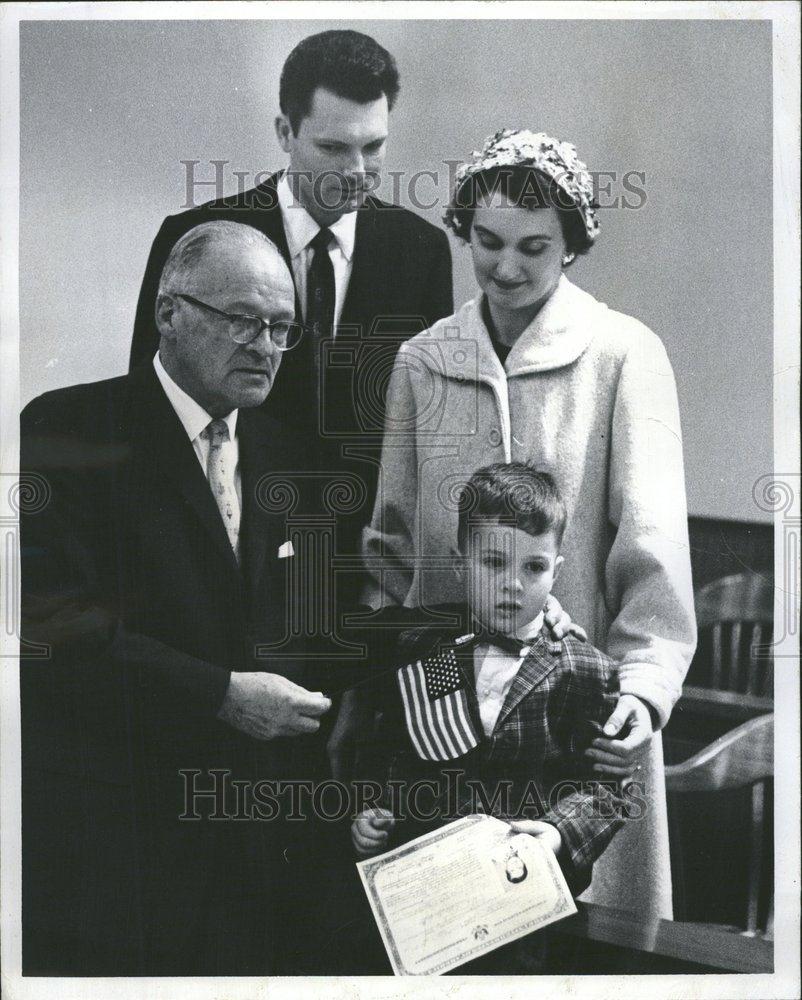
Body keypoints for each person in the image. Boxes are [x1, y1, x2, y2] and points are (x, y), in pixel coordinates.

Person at [362, 129, 697, 918]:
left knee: (577, 941)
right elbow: (391, 547)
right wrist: (387, 704)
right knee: (443, 934)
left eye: (533, 247)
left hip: (584, 726)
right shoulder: (422, 361)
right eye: (486, 242)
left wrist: (642, 697)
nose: (505, 268)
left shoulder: (623, 354)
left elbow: (652, 549)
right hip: (439, 729)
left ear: (573, 246)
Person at [20, 221, 334, 975]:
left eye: (282, 328)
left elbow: (321, 637)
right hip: (115, 852)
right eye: (243, 321)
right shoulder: (66, 428)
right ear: (170, 314)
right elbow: (48, 632)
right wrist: (218, 694)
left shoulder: (292, 455)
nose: (265, 345)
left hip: (255, 864)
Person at [128, 29, 454, 612]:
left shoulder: (421, 250)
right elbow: (148, 411)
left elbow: (423, 428)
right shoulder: (194, 235)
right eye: (333, 148)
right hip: (222, 561)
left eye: (374, 147)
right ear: (285, 132)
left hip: (364, 572)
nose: (357, 171)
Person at [346, 464, 629, 974]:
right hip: (424, 890)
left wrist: (558, 833)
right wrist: (372, 810)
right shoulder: (422, 648)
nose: (512, 586)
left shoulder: (584, 670)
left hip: (522, 896)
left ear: (557, 570)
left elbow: (609, 789)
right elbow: (390, 747)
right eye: (493, 563)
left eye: (534, 568)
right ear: (460, 563)